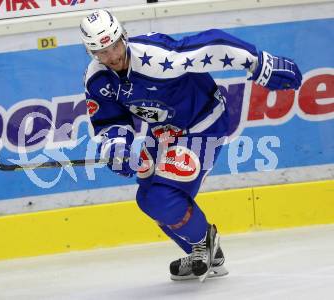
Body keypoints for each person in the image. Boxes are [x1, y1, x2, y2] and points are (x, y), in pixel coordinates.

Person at [79, 9, 301, 281]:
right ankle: (209, 255)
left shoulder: (154, 57)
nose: (112, 56)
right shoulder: (97, 79)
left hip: (202, 126)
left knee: (164, 198)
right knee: (147, 199)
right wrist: (117, 148)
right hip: (161, 133)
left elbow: (212, 43)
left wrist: (258, 62)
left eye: (114, 45)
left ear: (123, 36)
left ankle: (203, 243)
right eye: (102, 52)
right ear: (91, 53)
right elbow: (110, 120)